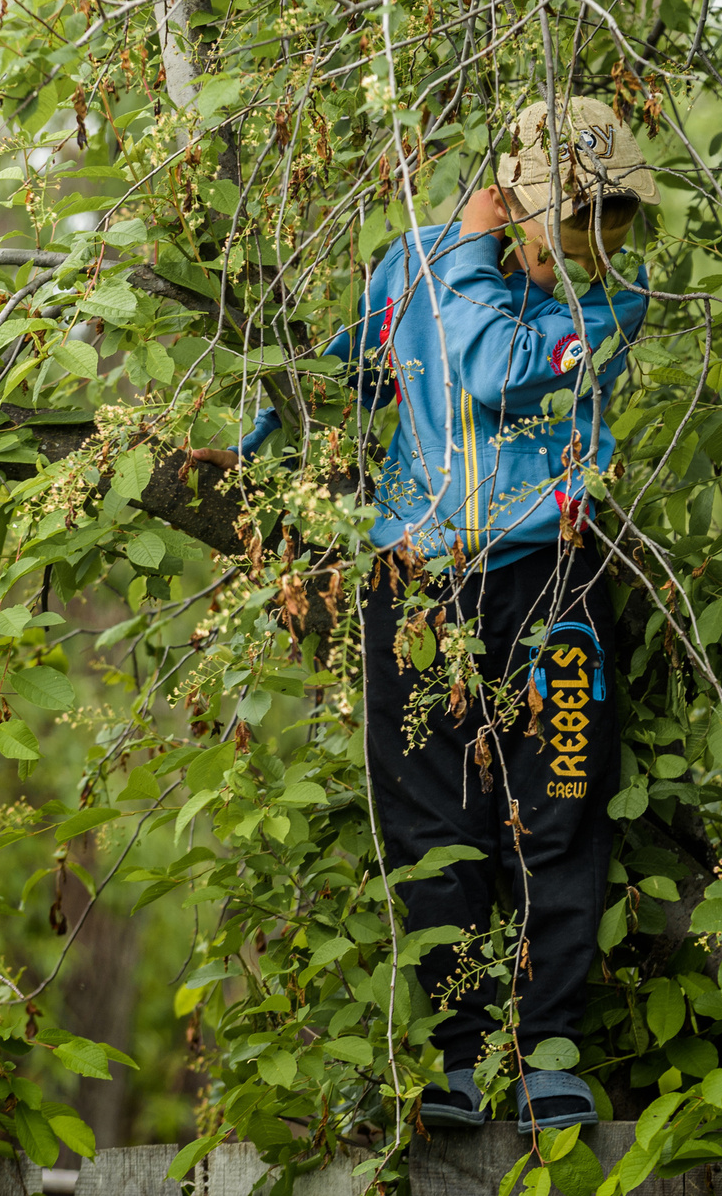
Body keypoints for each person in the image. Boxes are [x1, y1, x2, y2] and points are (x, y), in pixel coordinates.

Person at [190, 96, 658, 1134]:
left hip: (552, 582)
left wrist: (467, 254)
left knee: (558, 804)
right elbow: (344, 378)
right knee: (427, 820)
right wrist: (258, 452)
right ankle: (456, 1056)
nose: (596, 241)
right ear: (516, 199)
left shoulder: (609, 305)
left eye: (614, 214)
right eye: (576, 217)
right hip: (414, 584)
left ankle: (544, 1052)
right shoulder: (415, 262)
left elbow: (495, 369)